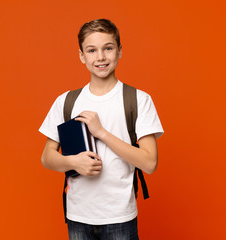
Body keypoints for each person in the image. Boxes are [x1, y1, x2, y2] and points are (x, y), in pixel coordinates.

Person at [39, 19, 163, 240]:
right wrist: (72, 162)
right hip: (78, 215)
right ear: (81, 56)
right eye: (92, 50)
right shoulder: (66, 101)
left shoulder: (138, 100)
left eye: (108, 48)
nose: (100, 57)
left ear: (119, 51)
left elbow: (149, 163)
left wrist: (102, 132)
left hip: (119, 217)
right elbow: (47, 157)